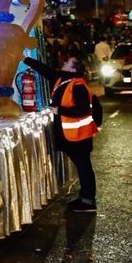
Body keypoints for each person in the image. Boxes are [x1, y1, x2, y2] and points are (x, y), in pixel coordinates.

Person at [24, 53, 102, 212]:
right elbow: (45, 70)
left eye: (68, 61)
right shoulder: (63, 79)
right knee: (82, 166)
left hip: (78, 136)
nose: (65, 62)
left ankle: (88, 201)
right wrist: (25, 59)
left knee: (84, 166)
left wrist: (60, 110)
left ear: (74, 69)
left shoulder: (77, 85)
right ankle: (85, 197)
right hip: (71, 136)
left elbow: (83, 109)